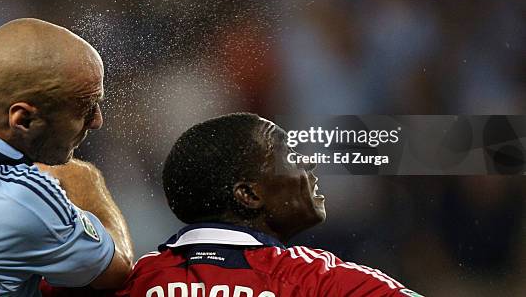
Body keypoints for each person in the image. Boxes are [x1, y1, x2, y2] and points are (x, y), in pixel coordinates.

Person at [43, 112, 423, 296]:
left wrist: (86, 187)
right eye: (289, 153)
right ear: (249, 194)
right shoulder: (316, 282)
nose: (310, 162)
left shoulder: (132, 283)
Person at [0, 18, 133, 296]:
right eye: (84, 108)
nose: (97, 121)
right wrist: (87, 182)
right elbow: (118, 269)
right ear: (23, 118)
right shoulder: (21, 200)